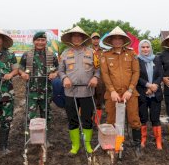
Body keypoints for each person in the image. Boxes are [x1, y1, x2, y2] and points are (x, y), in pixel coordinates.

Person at [57, 26, 99, 155]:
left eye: (79, 36)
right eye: (74, 36)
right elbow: (60, 70)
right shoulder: (65, 53)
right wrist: (64, 78)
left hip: (87, 91)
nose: (76, 38)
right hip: (70, 92)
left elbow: (97, 69)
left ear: (83, 38)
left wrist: (95, 77)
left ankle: (87, 145)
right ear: (71, 39)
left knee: (87, 119)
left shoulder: (92, 52)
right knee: (72, 119)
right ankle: (75, 145)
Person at [100, 27, 142, 156]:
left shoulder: (131, 54)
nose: (117, 41)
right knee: (111, 120)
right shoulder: (105, 55)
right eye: (115, 39)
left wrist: (130, 90)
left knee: (134, 119)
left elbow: (136, 72)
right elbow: (105, 74)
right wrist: (112, 91)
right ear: (111, 41)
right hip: (112, 94)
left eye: (120, 38)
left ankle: (137, 145)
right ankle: (113, 146)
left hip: (130, 93)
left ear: (124, 40)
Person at [19, 31, 59, 123]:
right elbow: (20, 68)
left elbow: (58, 68)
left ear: (46, 42)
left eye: (43, 40)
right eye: (38, 40)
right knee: (30, 116)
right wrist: (23, 74)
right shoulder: (27, 54)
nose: (40, 42)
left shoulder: (51, 55)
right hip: (31, 92)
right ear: (34, 41)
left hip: (46, 91)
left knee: (46, 115)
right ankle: (30, 135)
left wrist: (55, 73)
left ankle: (45, 134)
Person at [136, 39, 163, 150]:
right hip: (142, 93)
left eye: (147, 47)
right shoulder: (137, 60)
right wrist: (148, 85)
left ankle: (158, 141)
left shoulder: (157, 59)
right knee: (143, 118)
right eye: (143, 47)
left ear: (150, 48)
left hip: (155, 93)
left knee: (155, 118)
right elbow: (137, 77)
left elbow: (161, 75)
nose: (145, 49)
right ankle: (143, 139)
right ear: (140, 48)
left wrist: (154, 86)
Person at [90, 32, 106, 123]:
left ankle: (97, 120)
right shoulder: (87, 50)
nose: (95, 40)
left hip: (101, 79)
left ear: (99, 40)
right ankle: (87, 118)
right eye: (93, 38)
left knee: (99, 100)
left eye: (97, 38)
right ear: (91, 40)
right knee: (89, 99)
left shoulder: (103, 51)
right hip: (89, 77)